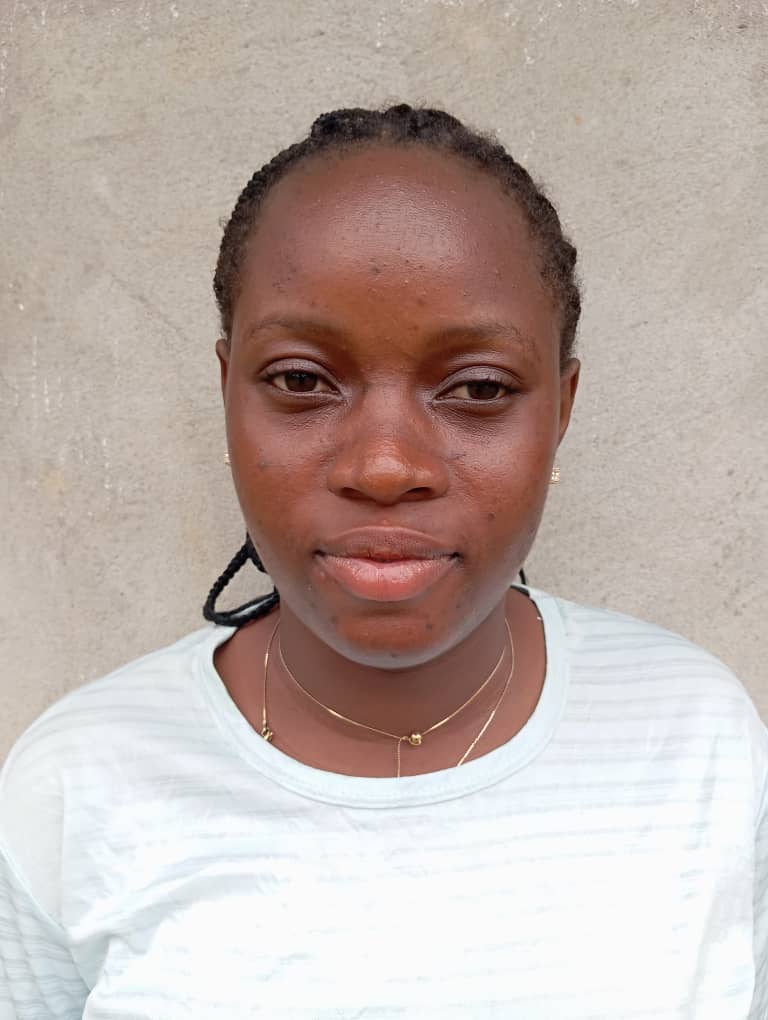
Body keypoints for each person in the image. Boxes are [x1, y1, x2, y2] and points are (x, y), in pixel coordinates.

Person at [0, 104, 765, 1019]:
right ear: (227, 392)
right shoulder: (78, 783)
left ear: (561, 409)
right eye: (300, 380)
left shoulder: (694, 739)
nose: (386, 466)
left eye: (478, 388)